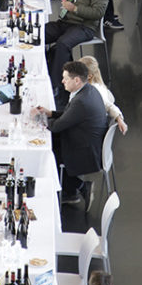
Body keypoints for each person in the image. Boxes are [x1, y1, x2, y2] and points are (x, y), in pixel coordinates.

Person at [29, 0, 109, 88]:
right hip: (65, 22)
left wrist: (75, 8)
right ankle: (35, 71)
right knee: (37, 33)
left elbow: (98, 13)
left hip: (84, 27)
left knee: (63, 44)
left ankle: (56, 85)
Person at [33, 61, 108, 204]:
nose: (62, 81)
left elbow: (56, 126)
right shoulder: (88, 90)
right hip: (86, 139)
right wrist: (50, 113)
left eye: (65, 78)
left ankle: (78, 188)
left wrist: (39, 119)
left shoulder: (81, 101)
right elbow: (70, 115)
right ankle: (71, 190)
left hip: (84, 150)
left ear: (77, 80)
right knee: (49, 143)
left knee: (48, 156)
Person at [79, 56, 128, 134]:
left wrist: (119, 119)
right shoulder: (92, 86)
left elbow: (109, 105)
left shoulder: (96, 90)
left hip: (90, 129)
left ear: (89, 76)